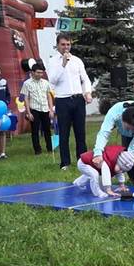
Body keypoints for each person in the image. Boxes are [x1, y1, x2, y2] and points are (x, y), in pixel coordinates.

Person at [47, 33, 92, 170]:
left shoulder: (77, 60)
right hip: (62, 100)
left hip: (78, 99)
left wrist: (87, 92)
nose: (66, 47)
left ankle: (82, 161)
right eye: (63, 44)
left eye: (68, 44)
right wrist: (63, 64)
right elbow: (53, 81)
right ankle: (65, 162)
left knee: (80, 132)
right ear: (57, 45)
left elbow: (85, 79)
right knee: (64, 133)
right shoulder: (53, 61)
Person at [93, 101, 134, 186]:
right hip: (130, 124)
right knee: (124, 151)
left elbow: (132, 149)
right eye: (128, 128)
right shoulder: (114, 113)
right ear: (122, 120)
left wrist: (121, 164)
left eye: (133, 129)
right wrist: (98, 153)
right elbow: (104, 133)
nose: (131, 131)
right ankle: (133, 180)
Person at [22, 63, 54, 155]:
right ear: (32, 72)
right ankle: (37, 150)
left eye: (41, 73)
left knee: (47, 129)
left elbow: (49, 96)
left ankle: (50, 148)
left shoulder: (45, 82)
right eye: (38, 72)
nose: (40, 74)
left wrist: (51, 110)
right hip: (34, 109)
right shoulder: (27, 83)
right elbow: (26, 98)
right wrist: (28, 112)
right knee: (35, 131)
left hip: (45, 109)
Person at [0, 63, 10, 160]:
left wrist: (6, 102)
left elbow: (8, 94)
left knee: (3, 131)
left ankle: (3, 152)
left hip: (3, 110)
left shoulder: (4, 82)